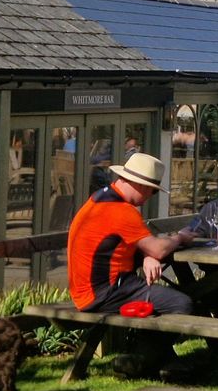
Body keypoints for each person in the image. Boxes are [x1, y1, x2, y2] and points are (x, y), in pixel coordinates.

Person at [64, 150, 197, 378]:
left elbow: (136, 243)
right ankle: (140, 358)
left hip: (87, 291)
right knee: (182, 303)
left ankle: (163, 361)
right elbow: (158, 248)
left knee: (165, 301)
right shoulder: (122, 211)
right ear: (141, 186)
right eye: (153, 191)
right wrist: (180, 238)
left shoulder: (99, 198)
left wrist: (147, 255)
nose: (151, 196)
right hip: (106, 292)